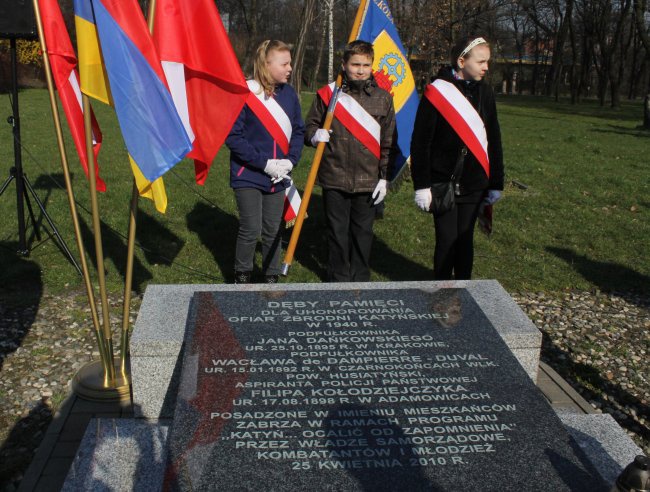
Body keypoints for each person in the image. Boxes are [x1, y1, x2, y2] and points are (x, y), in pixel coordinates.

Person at [410, 36, 504, 280]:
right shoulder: (436, 92)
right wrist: (421, 185)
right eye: (481, 61)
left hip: (474, 182)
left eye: (488, 62)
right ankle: (441, 295)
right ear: (462, 61)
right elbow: (421, 143)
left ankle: (464, 293)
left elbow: (493, 139)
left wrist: (496, 182)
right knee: (446, 241)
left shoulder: (485, 92)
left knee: (465, 241)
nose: (486, 67)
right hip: (442, 182)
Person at [305, 40, 396, 282]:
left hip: (368, 179)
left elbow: (388, 141)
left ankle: (360, 276)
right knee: (337, 231)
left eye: (366, 64)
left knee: (363, 232)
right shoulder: (329, 95)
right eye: (355, 64)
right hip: (334, 176)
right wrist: (314, 136)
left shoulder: (383, 99)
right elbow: (309, 126)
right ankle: (338, 277)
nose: (360, 69)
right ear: (344, 65)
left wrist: (384, 178)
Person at [225, 40, 304, 284]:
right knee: (250, 228)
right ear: (266, 64)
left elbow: (298, 131)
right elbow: (233, 137)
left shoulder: (289, 94)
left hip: (278, 175)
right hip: (248, 173)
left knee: (273, 229)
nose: (290, 68)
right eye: (285, 63)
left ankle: (271, 276)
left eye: (290, 62)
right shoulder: (245, 92)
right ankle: (242, 275)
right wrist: (264, 163)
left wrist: (290, 161)